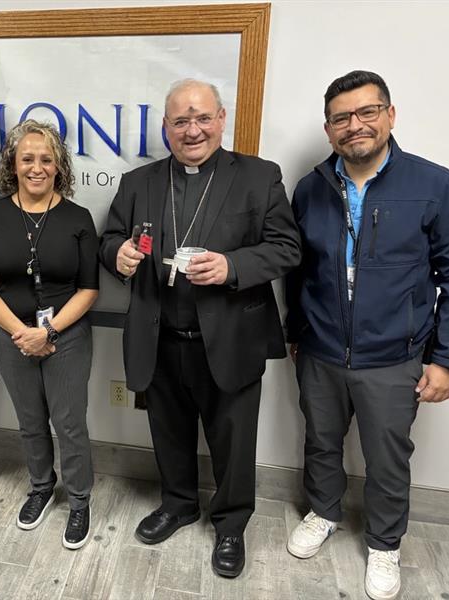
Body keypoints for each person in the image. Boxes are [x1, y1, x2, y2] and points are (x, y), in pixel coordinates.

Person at [285, 70, 449, 600]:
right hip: (321, 351)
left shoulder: (434, 185)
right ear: (329, 130)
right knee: (321, 442)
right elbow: (298, 270)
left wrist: (448, 358)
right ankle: (323, 513)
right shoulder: (310, 189)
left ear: (390, 116)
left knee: (387, 457)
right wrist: (296, 331)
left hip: (395, 356)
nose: (355, 126)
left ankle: (385, 544)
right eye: (342, 118)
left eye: (367, 112)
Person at [98, 79, 301, 577]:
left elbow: (287, 248)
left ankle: (231, 524)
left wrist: (232, 266)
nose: (193, 130)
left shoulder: (259, 176)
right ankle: (179, 503)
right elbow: (109, 240)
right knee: (168, 432)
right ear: (165, 127)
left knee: (234, 440)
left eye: (202, 118)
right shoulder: (138, 182)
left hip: (230, 336)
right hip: (159, 335)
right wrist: (118, 255)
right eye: (181, 121)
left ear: (222, 118)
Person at [0, 120, 99, 550]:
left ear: (59, 166)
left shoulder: (78, 218)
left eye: (46, 159)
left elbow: (89, 289)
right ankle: (41, 487)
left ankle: (79, 500)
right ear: (13, 164)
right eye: (27, 158)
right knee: (29, 421)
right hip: (11, 337)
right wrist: (20, 332)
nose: (36, 167)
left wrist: (48, 331)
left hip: (66, 337)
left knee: (69, 422)